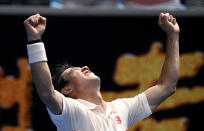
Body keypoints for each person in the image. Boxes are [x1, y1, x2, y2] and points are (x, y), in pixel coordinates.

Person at [24, 13, 180, 131]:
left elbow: (167, 87)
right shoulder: (71, 111)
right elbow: (47, 93)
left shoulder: (121, 108)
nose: (84, 67)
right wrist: (34, 39)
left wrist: (173, 36)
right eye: (74, 70)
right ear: (66, 89)